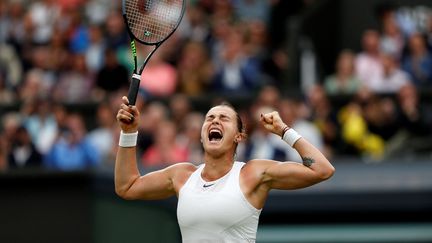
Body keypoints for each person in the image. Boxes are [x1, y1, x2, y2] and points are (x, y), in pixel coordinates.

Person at [115, 96, 335, 242]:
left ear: (239, 135)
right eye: (209, 118)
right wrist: (129, 132)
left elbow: (322, 169)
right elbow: (127, 186)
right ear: (201, 135)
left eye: (224, 118)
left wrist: (283, 130)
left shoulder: (253, 173)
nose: (215, 121)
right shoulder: (181, 175)